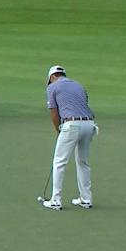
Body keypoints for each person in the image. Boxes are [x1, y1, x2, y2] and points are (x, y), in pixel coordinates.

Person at [42, 65, 97, 210]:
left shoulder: (52, 87)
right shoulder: (79, 85)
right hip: (89, 124)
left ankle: (56, 200)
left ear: (52, 77)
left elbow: (54, 113)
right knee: (83, 162)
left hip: (72, 125)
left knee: (59, 161)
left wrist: (58, 130)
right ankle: (86, 199)